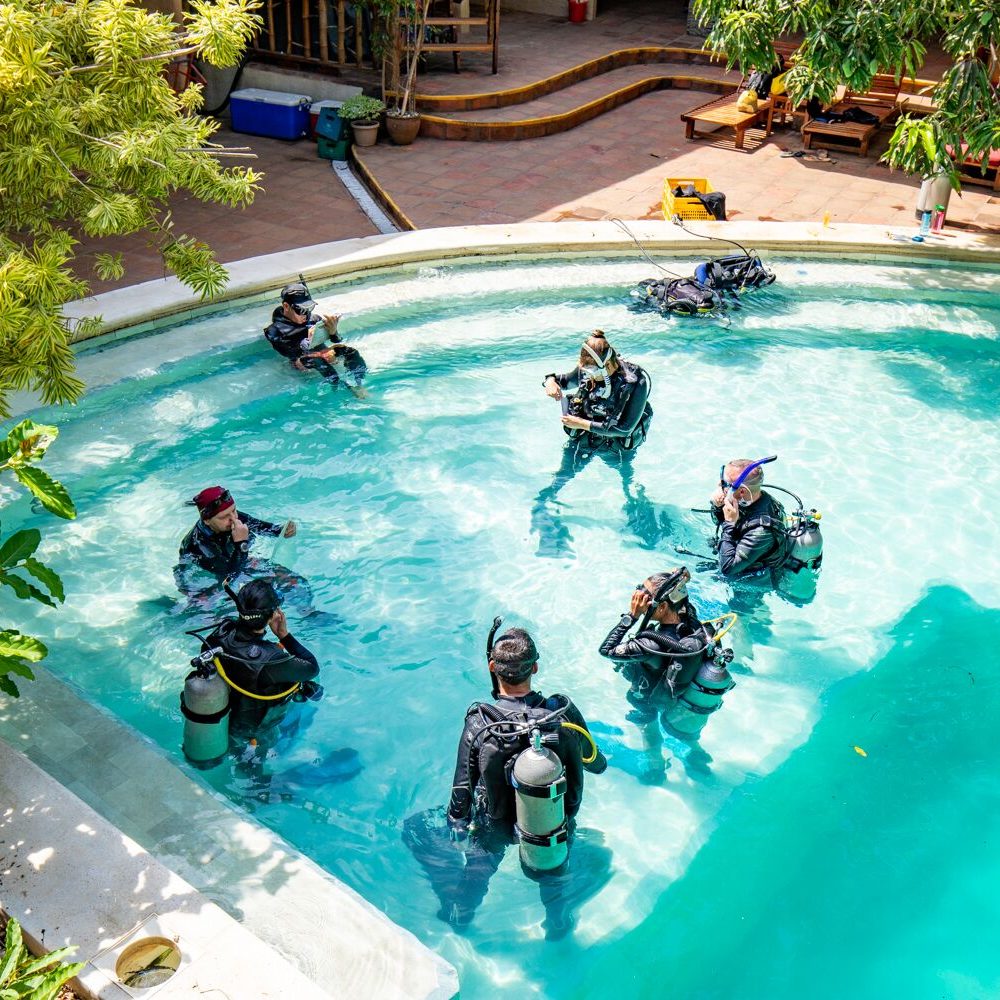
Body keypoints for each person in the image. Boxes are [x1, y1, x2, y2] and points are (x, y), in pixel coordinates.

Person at [404, 625, 607, 936]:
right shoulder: (561, 714)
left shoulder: (481, 722)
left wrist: (457, 827)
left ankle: (462, 914)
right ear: (535, 668)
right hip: (550, 822)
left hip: (495, 825)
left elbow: (461, 790)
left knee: (476, 866)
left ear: (491, 667)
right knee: (553, 872)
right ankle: (557, 922)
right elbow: (596, 764)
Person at [532, 331, 654, 555]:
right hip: (584, 438)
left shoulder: (636, 381)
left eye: (594, 371)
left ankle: (631, 497)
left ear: (607, 365)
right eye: (585, 371)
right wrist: (550, 382)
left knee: (624, 471)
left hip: (617, 443)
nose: (589, 376)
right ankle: (542, 505)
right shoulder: (587, 370)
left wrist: (581, 423)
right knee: (564, 474)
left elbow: (625, 427)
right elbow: (561, 379)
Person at [175, 486, 296, 589]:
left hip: (234, 560)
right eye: (224, 517)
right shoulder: (198, 545)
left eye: (234, 510)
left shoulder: (231, 516)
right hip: (209, 578)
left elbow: (263, 528)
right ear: (206, 520)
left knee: (290, 580)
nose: (234, 518)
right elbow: (230, 576)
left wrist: (283, 530)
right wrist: (241, 543)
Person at [263, 282, 368, 397]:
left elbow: (337, 340)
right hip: (301, 362)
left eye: (309, 308)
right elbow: (290, 354)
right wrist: (309, 344)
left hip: (323, 353)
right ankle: (342, 387)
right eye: (300, 310)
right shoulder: (274, 330)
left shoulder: (314, 319)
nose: (305, 314)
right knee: (318, 361)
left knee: (349, 351)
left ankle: (360, 383)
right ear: (286, 306)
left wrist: (333, 332)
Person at [709, 458, 791, 579]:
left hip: (756, 578)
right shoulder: (749, 499)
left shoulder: (761, 531)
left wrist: (729, 523)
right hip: (743, 557)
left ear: (742, 491)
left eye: (724, 483)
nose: (719, 485)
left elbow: (727, 569)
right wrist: (717, 506)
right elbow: (718, 521)